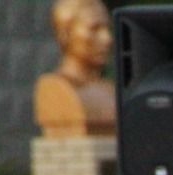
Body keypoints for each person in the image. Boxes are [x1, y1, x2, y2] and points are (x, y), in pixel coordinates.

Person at [34, 0, 115, 137]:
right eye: (94, 29)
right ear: (66, 34)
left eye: (107, 28)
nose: (107, 39)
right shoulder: (55, 89)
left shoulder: (110, 90)